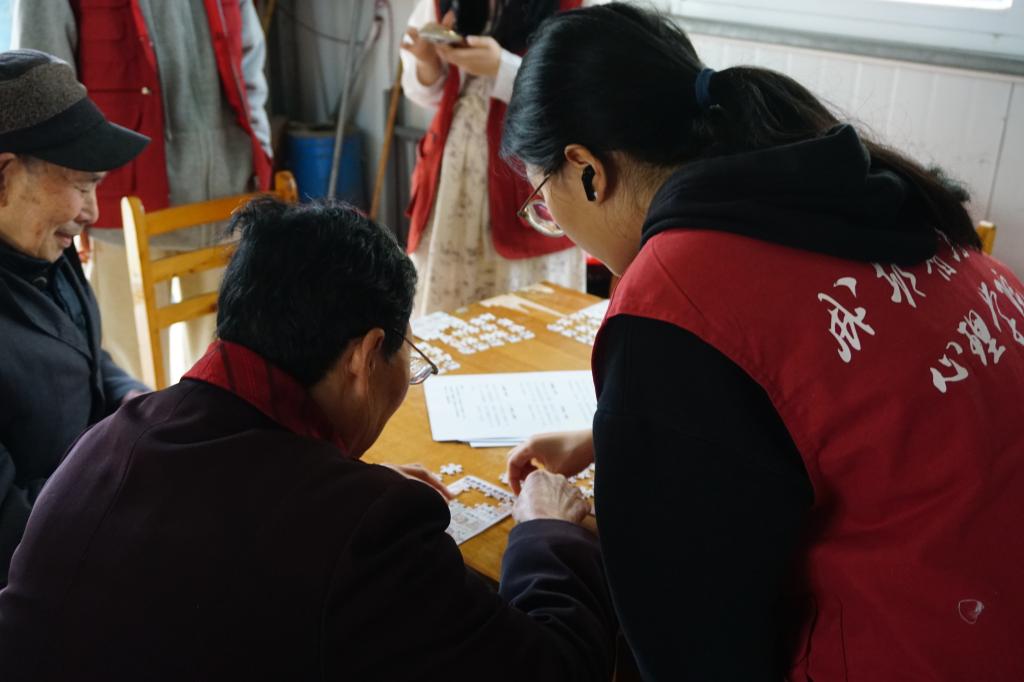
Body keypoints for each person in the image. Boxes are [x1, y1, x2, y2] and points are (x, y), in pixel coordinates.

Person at [501, 4, 1024, 680]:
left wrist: (550, 535)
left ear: (586, 170)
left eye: (543, 201)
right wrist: (618, 437)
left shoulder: (673, 292)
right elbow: (859, 396)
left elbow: (685, 640)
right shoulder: (868, 199)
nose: (556, 223)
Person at [0, 197, 617, 680]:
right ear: (366, 358)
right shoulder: (366, 530)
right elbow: (554, 668)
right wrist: (546, 531)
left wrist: (339, 488)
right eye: (408, 353)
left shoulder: (108, 439)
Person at [13, 0, 273, 382]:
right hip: (121, 200)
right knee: (127, 376)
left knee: (227, 370)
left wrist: (259, 146)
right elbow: (45, 81)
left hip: (224, 196)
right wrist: (67, 193)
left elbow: (248, 55)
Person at [0, 50, 151, 584]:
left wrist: (134, 401)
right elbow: (9, 525)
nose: (93, 212)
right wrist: (131, 487)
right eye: (82, 186)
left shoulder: (44, 250)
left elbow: (84, 353)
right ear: (4, 174)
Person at [400, 0, 594, 316]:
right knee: (449, 314)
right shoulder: (438, 5)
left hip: (526, 181)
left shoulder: (576, 7)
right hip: (453, 180)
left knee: (526, 318)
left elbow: (582, 96)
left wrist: (502, 68)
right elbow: (432, 93)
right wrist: (427, 63)